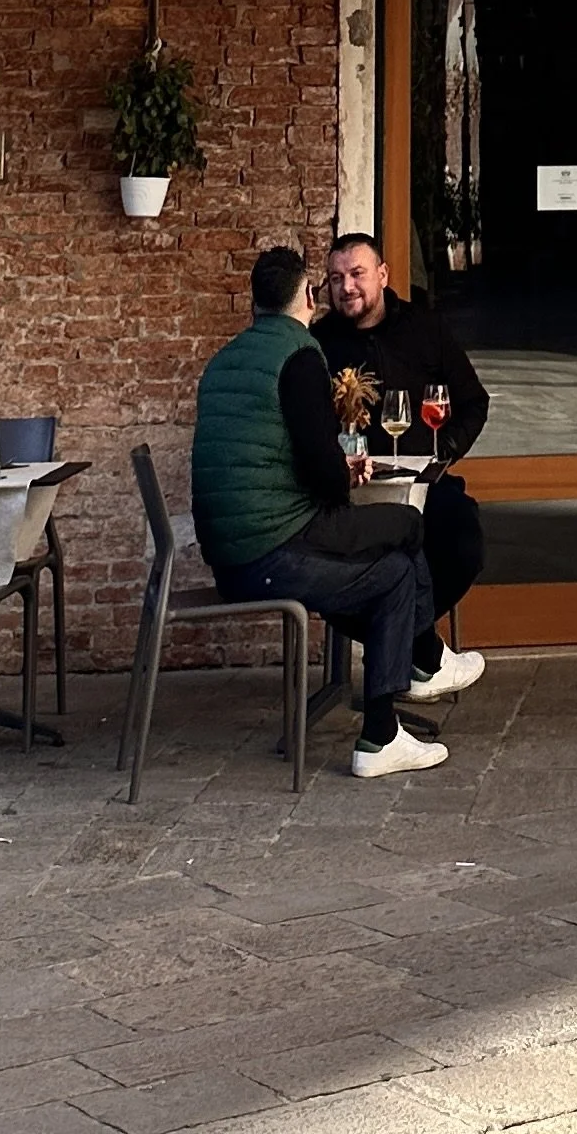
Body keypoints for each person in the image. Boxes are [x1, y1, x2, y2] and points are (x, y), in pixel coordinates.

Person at [191, 241, 484, 781]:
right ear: (308, 293)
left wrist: (332, 470)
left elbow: (274, 453)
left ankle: (397, 702)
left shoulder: (224, 360)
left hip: (229, 555)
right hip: (274, 550)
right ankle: (411, 679)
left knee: (397, 555)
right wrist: (341, 473)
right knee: (403, 538)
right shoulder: (300, 354)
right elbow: (321, 473)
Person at [315, 230, 489, 630]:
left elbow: (474, 402)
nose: (347, 287)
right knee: (337, 572)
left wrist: (441, 453)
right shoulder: (318, 343)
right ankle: (411, 653)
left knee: (466, 545)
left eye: (357, 274)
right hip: (354, 496)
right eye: (336, 278)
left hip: (423, 487)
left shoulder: (425, 328)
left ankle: (404, 642)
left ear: (383, 275)